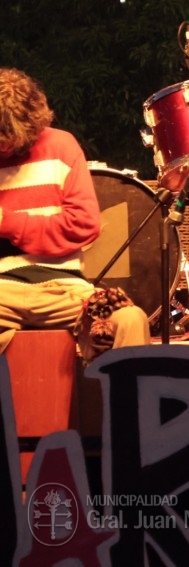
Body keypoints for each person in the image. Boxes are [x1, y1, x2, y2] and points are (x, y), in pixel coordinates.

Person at [0, 67, 150, 363]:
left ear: (30, 125)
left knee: (131, 320)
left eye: (7, 137)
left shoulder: (60, 145)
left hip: (66, 289)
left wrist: (7, 223)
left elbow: (83, 225)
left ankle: (121, 409)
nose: (3, 145)